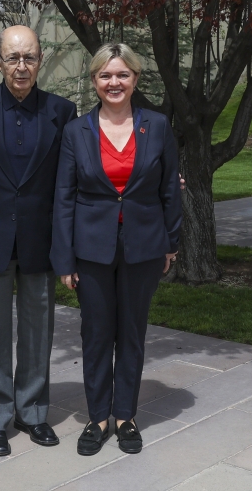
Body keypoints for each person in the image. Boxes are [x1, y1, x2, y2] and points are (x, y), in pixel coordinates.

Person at [51, 43, 181, 457]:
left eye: (122, 75)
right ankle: (98, 417)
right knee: (96, 334)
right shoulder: (76, 131)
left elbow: (169, 190)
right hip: (91, 250)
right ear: (94, 81)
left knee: (132, 333)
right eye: (106, 76)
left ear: (135, 79)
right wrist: (65, 258)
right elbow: (64, 199)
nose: (114, 82)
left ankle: (125, 415)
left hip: (143, 246)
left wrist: (171, 243)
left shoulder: (157, 126)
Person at [0, 25, 77, 457]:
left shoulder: (62, 112)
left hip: (41, 239)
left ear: (41, 59)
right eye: (12, 58)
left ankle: (32, 411)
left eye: (29, 57)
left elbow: (76, 176)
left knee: (38, 330)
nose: (21, 66)